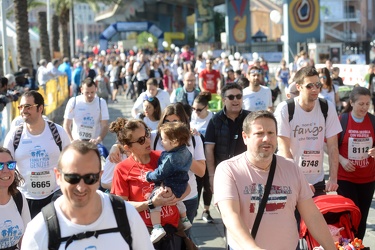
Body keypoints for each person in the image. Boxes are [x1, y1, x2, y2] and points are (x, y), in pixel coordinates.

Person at [214, 110, 336, 249]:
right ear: (245, 137)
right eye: (259, 133)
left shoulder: (292, 168)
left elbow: (312, 215)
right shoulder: (228, 170)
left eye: (271, 133)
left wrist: (331, 248)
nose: (266, 138)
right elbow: (230, 216)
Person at [21, 141, 153, 249]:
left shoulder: (126, 215)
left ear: (99, 177)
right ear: (58, 176)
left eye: (90, 178)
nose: (81, 186)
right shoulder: (39, 230)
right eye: (72, 177)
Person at [110, 119, 189, 249]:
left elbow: (187, 186)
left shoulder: (164, 157)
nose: (147, 140)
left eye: (147, 134)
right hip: (145, 234)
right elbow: (120, 206)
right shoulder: (122, 168)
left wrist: (175, 197)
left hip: (174, 230)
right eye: (141, 140)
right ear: (127, 147)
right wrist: (151, 203)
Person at [274, 66, 342, 196]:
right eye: (309, 86)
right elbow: (284, 149)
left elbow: (333, 146)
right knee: (292, 217)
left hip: (317, 181)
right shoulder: (286, 109)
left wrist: (333, 178)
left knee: (317, 216)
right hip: (290, 179)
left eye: (317, 84)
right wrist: (300, 180)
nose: (315, 89)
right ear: (298, 87)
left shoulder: (326, 107)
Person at [3, 91, 70, 218]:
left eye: (28, 107)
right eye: (21, 107)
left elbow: (71, 161)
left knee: (53, 234)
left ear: (40, 108)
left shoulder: (57, 132)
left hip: (55, 195)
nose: (23, 110)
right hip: (24, 196)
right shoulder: (14, 136)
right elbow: (4, 164)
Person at [151, 103, 206, 236]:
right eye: (167, 121)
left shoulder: (193, 138)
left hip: (187, 196)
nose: (170, 126)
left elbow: (201, 171)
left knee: (183, 238)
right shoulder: (154, 136)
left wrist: (182, 154)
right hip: (161, 196)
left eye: (175, 121)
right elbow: (131, 141)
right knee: (161, 240)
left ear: (183, 122)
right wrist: (116, 148)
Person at [337, 87, 375, 241]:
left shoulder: (373, 121)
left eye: (367, 104)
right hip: (345, 178)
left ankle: (357, 244)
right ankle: (347, 244)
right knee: (348, 216)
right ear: (351, 103)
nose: (364, 108)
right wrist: (342, 160)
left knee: (362, 217)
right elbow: (328, 145)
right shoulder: (342, 120)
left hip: (367, 178)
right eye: (361, 104)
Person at [146, 122, 193, 243]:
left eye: (164, 139)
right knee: (178, 200)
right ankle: (185, 219)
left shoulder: (170, 158)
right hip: (182, 185)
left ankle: (157, 227)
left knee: (154, 202)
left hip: (169, 186)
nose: (161, 142)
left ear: (175, 141)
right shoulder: (187, 152)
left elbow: (160, 173)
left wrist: (148, 176)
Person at [205, 83, 250, 191]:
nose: (235, 100)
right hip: (224, 174)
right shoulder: (215, 121)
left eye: (239, 96)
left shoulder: (251, 118)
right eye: (231, 97)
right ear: (223, 100)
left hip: (247, 173)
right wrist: (211, 176)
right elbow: (209, 150)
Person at [190, 92, 214, 223]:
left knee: (208, 186)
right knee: (197, 186)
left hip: (210, 157)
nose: (196, 112)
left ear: (206, 108)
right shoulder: (191, 118)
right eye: (193, 108)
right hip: (196, 158)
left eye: (199, 109)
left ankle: (206, 210)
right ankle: (193, 211)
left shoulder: (213, 118)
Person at [0, 147, 31, 249]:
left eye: (10, 165)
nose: (6, 170)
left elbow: (26, 239)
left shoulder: (19, 198)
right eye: (0, 165)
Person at [63, 78, 109, 144]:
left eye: (92, 92)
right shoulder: (73, 102)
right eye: (87, 92)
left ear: (96, 89)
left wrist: (99, 139)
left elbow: (105, 125)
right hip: (77, 143)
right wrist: (72, 140)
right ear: (81, 90)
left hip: (94, 143)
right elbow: (66, 124)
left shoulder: (101, 102)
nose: (90, 95)